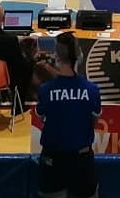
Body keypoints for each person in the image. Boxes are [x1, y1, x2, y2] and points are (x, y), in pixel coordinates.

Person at [35, 32, 101, 198]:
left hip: (53, 160)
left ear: (56, 56)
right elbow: (93, 121)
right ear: (79, 55)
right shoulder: (92, 90)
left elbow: (41, 118)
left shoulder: (45, 90)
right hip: (81, 160)